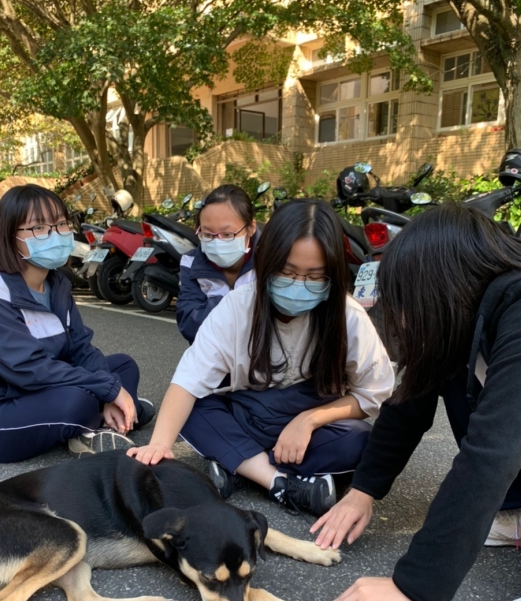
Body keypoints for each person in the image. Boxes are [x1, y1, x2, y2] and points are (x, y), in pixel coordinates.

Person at [311, 203, 521, 601]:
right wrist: (363, 491)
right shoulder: (469, 312)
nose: (399, 320)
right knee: (455, 378)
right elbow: (408, 404)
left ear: (437, 287)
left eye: (403, 303)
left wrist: (412, 584)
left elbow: (495, 447)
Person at [129, 199, 395, 516]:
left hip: (311, 410)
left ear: (334, 276)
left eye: (315, 276)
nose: (299, 285)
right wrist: (159, 445)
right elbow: (188, 381)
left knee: (361, 442)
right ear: (266, 262)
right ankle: (279, 482)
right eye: (287, 272)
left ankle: (237, 464)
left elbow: (374, 393)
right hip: (250, 410)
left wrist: (307, 421)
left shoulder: (347, 316)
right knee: (193, 408)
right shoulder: (238, 307)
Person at [0, 184, 154, 463]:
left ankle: (97, 421)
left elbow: (80, 349)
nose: (55, 234)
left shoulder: (56, 284)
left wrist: (109, 387)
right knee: (79, 400)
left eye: (61, 224)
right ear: (9, 236)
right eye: (39, 228)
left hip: (39, 392)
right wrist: (110, 391)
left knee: (122, 365)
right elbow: (28, 368)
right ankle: (105, 417)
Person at [176, 184, 259, 343]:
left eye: (227, 234)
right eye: (207, 234)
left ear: (251, 228)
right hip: (211, 359)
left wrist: (214, 309)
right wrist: (242, 306)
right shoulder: (190, 263)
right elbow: (189, 324)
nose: (216, 242)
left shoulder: (272, 260)